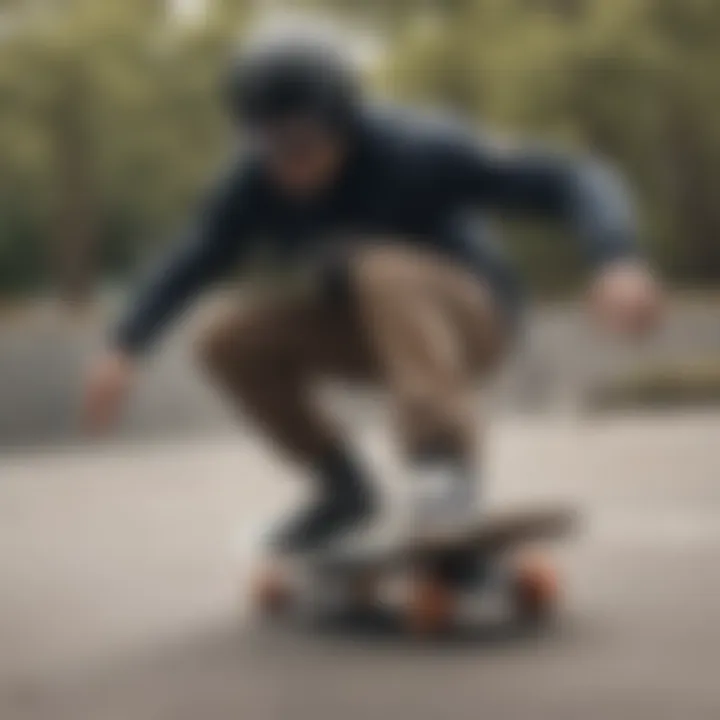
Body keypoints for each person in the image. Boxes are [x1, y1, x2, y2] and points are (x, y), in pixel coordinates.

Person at [83, 30, 662, 557]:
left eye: (305, 141)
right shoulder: (253, 184)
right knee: (228, 340)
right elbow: (196, 255)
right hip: (374, 332)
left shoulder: (416, 147)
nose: (292, 163)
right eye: (272, 145)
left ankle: (445, 473)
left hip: (474, 320)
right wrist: (126, 346)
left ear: (342, 121)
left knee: (379, 267)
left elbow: (572, 177)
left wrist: (616, 259)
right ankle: (342, 490)